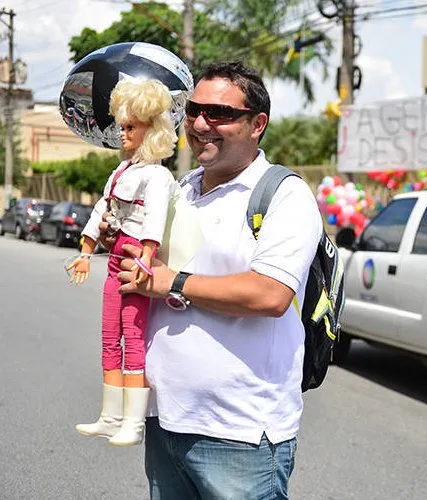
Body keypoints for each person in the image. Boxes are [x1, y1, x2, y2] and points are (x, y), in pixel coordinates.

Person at [105, 61, 321, 499]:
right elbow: (149, 272)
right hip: (165, 419)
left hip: (238, 433)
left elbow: (270, 293)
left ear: (257, 124)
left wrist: (173, 282)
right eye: (193, 110)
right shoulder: (179, 188)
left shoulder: (284, 194)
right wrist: (121, 239)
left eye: (220, 113)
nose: (201, 124)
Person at [68, 78, 178, 447]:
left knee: (133, 337)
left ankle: (132, 422)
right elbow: (102, 208)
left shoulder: (158, 175)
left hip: (135, 260)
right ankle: (110, 415)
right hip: (116, 258)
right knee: (108, 336)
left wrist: (147, 257)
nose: (124, 133)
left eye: (132, 126)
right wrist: (86, 251)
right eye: (123, 126)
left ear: (151, 129)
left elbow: (155, 219)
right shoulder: (121, 171)